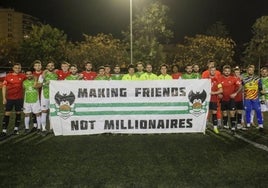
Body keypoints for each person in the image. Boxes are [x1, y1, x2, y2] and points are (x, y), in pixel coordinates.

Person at [0, 63, 26, 137]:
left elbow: (31, 77)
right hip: (9, 99)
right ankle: (4, 131)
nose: (17, 69)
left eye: (19, 68)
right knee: (7, 114)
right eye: (16, 68)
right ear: (13, 68)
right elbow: (4, 87)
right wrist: (4, 98)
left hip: (19, 98)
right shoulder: (8, 76)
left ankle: (16, 129)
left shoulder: (23, 76)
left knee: (18, 113)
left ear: (20, 69)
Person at [37, 61, 58, 135]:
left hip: (53, 96)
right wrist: (45, 83)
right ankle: (43, 129)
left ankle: (51, 128)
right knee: (44, 111)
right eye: (49, 65)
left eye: (52, 65)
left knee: (52, 112)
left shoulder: (56, 75)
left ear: (54, 66)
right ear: (46, 67)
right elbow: (38, 85)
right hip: (45, 96)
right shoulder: (42, 75)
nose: (50, 67)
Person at [219, 65, 242, 131]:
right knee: (224, 113)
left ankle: (232, 126)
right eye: (225, 71)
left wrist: (235, 93)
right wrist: (219, 93)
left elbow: (240, 86)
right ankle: (225, 126)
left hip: (231, 99)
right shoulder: (220, 78)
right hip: (223, 99)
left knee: (232, 113)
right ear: (223, 71)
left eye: (228, 71)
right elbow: (218, 86)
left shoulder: (233, 78)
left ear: (230, 72)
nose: (227, 72)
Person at [242, 65, 264, 132]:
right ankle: (248, 124)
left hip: (255, 98)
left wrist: (262, 97)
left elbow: (260, 89)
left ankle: (261, 125)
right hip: (247, 98)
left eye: (252, 70)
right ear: (247, 71)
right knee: (248, 110)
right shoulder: (244, 79)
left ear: (253, 70)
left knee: (258, 111)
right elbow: (242, 88)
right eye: (249, 70)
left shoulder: (257, 79)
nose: (250, 71)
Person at [208, 67, 223, 133]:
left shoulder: (217, 80)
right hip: (206, 99)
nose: (213, 71)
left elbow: (221, 90)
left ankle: (215, 128)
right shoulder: (205, 79)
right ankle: (204, 126)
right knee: (205, 113)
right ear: (209, 71)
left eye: (214, 70)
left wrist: (214, 93)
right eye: (212, 70)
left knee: (214, 112)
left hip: (214, 99)